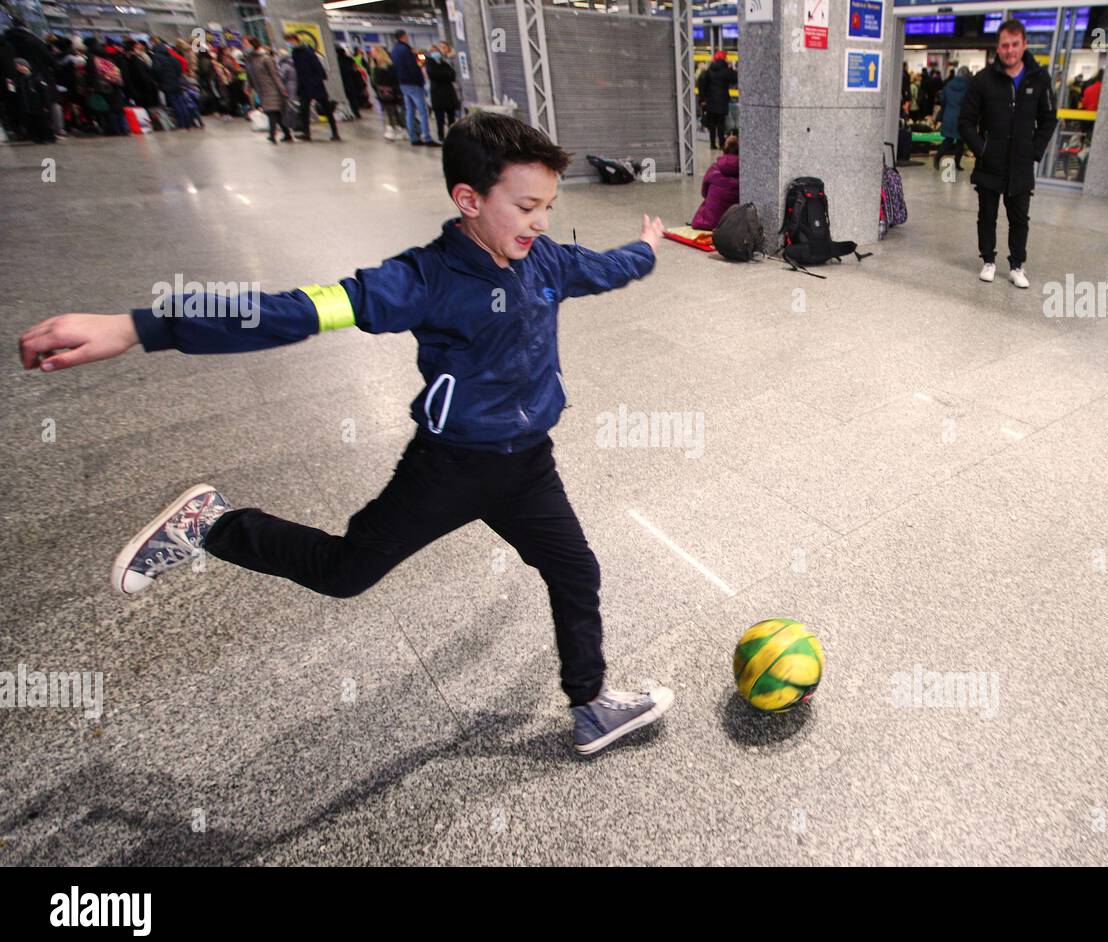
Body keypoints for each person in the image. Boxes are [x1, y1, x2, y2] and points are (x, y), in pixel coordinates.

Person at [19, 112, 673, 757]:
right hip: (449, 467)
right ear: (469, 199)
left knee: (575, 568)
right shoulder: (420, 280)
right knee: (343, 573)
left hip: (528, 465)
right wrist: (139, 327)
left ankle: (589, 706)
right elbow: (292, 312)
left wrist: (644, 248)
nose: (541, 222)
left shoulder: (545, 260)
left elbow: (603, 268)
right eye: (527, 206)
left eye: (549, 207)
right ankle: (209, 526)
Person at [958, 18, 1057, 289]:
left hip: (1022, 165)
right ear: (998, 48)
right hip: (990, 163)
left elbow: (1049, 119)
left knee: (1019, 219)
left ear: (1024, 44)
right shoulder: (983, 80)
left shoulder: (1039, 79)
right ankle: (988, 260)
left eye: (1015, 45)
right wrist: (982, 149)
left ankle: (1017, 266)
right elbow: (965, 122)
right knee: (986, 215)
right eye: (1004, 45)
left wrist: (1034, 151)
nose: (1010, 50)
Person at [288, 32, 340, 141]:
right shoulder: (294, 53)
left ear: (295, 40)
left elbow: (318, 68)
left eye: (290, 41)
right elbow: (299, 71)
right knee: (304, 110)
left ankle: (335, 133)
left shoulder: (308, 51)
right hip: (304, 86)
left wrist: (316, 80)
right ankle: (306, 133)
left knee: (326, 109)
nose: (289, 43)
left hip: (315, 85)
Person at [245, 37, 292, 144]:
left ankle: (272, 135)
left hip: (272, 88)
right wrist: (248, 86)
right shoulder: (250, 59)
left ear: (253, 45)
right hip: (261, 89)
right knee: (276, 114)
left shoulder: (266, 58)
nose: (246, 47)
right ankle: (287, 134)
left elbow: (275, 75)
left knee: (272, 112)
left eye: (247, 44)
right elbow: (249, 74)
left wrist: (282, 88)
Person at [390, 30, 432, 146]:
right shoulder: (408, 50)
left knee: (410, 111)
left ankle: (413, 137)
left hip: (403, 84)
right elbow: (419, 64)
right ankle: (426, 137)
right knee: (423, 111)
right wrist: (420, 54)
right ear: (403, 36)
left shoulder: (394, 51)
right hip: (414, 84)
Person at [691, 133, 739, 230]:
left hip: (710, 222)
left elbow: (704, 193)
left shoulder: (714, 168)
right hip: (734, 222)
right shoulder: (745, 171)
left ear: (723, 150)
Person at [151, 36, 198, 129]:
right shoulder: (171, 57)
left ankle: (181, 123)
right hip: (177, 83)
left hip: (167, 84)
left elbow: (155, 70)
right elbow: (179, 68)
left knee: (175, 104)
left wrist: (159, 81)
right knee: (182, 102)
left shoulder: (157, 58)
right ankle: (187, 122)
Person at [696, 49, 736, 151]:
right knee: (721, 124)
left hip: (710, 102)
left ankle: (713, 144)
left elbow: (702, 83)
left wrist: (702, 99)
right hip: (722, 101)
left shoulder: (709, 70)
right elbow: (735, 79)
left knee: (712, 124)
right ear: (724, 59)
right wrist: (731, 68)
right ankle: (722, 145)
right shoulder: (725, 71)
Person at [933, 66, 970, 172]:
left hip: (949, 114)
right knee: (960, 142)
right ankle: (957, 164)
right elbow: (969, 102)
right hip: (962, 117)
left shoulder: (949, 84)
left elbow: (943, 100)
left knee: (948, 140)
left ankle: (937, 157)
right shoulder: (968, 86)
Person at [12, 57, 55, 143]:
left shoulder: (36, 77)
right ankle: (38, 137)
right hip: (29, 106)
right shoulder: (20, 79)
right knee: (34, 122)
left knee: (42, 121)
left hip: (38, 105)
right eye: (17, 66)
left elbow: (44, 92)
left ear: (25, 66)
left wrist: (45, 105)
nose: (18, 67)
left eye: (19, 65)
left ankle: (47, 137)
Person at [425, 44, 459, 144]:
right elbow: (435, 76)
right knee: (439, 118)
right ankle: (441, 136)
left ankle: (453, 135)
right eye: (433, 51)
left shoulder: (444, 63)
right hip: (437, 94)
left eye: (437, 51)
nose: (435, 53)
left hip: (448, 93)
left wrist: (445, 75)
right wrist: (446, 75)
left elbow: (452, 75)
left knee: (451, 116)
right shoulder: (429, 63)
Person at [369, 46, 403, 141]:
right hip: (381, 92)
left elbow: (394, 79)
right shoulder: (374, 66)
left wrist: (397, 92)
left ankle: (395, 129)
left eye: (374, 51)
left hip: (390, 91)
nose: (372, 54)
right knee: (388, 110)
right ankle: (393, 128)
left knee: (392, 110)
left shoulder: (388, 65)